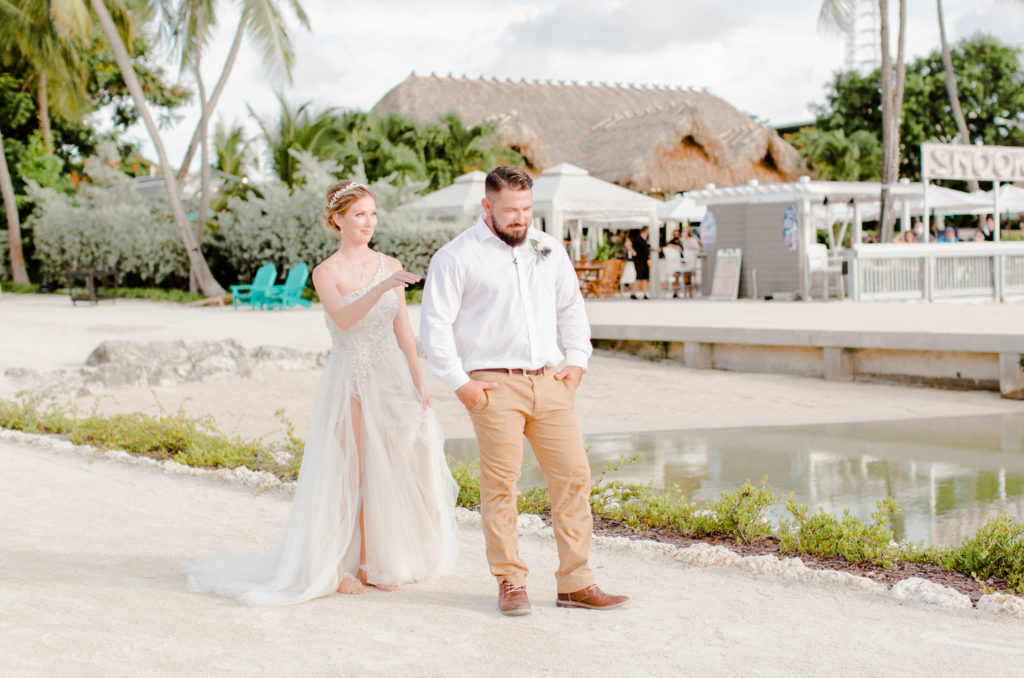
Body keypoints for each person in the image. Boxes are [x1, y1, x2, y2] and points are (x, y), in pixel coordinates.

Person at [181, 181, 459, 605]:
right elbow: (345, 319)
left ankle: (373, 562)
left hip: (390, 374)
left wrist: (419, 382)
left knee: (390, 466)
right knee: (353, 471)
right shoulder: (325, 272)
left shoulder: (390, 262)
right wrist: (383, 288)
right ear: (338, 219)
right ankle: (342, 566)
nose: (369, 222)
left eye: (373, 214)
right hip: (350, 376)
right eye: (360, 214)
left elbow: (402, 327)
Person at [420, 165, 629, 616]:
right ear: (487, 206)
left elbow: (571, 307)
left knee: (574, 478)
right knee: (501, 487)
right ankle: (510, 581)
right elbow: (434, 328)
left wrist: (577, 363)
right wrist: (463, 386)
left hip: (550, 381)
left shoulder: (548, 249)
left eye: (527, 209)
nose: (520, 218)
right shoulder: (456, 257)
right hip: (493, 386)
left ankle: (576, 582)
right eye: (510, 210)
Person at [628, 226, 652, 299]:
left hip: (644, 260)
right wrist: (633, 251)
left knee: (645, 277)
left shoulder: (645, 240)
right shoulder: (637, 238)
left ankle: (645, 294)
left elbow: (647, 248)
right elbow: (627, 244)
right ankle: (632, 294)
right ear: (646, 230)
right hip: (638, 260)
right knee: (638, 277)